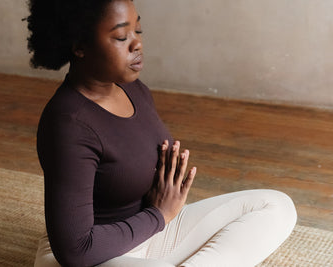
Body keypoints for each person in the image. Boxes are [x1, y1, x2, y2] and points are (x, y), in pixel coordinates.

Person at [27, 0, 297, 266]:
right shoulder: (68, 124)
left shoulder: (132, 89)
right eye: (121, 36)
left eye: (138, 30)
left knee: (277, 207)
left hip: (150, 231)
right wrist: (158, 215)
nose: (137, 43)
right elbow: (76, 250)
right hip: (94, 254)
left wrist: (161, 213)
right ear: (79, 46)